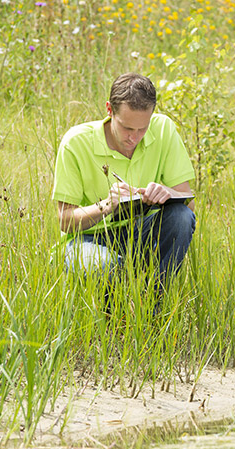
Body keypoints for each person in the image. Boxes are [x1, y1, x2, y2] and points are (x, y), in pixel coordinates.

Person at [51, 72, 196, 294]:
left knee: (181, 218)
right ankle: (117, 316)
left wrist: (165, 193)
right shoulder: (75, 143)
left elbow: (189, 208)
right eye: (127, 128)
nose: (134, 138)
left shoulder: (164, 129)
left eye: (142, 129)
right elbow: (65, 221)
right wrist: (107, 206)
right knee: (103, 265)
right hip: (88, 239)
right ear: (109, 110)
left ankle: (154, 301)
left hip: (140, 231)